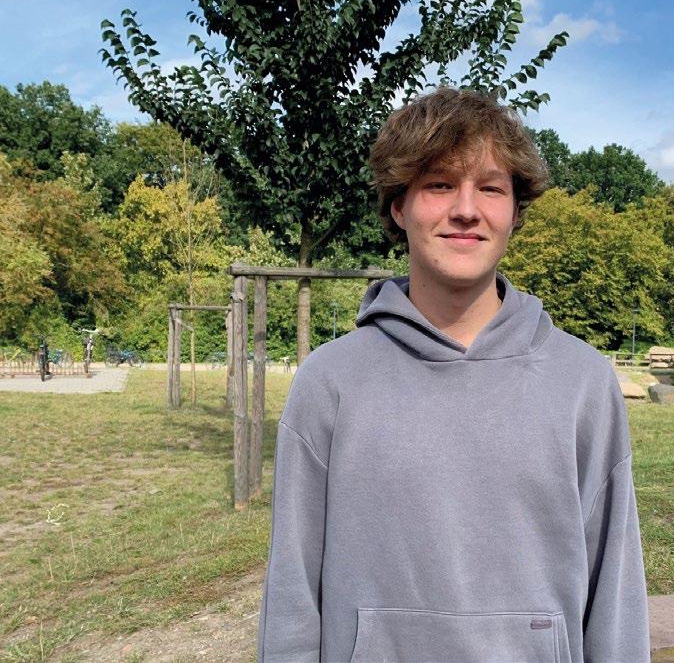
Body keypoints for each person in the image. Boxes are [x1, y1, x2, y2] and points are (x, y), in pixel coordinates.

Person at [257, 87, 650, 662]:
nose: (466, 209)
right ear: (399, 207)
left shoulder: (583, 382)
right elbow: (292, 593)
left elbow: (615, 592)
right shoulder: (330, 381)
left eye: (490, 188)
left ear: (514, 212)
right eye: (440, 184)